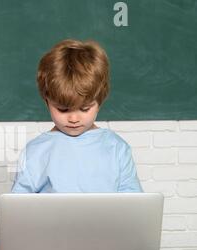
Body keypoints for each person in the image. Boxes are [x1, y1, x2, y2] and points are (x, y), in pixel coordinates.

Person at [12, 39, 142, 193]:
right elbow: (19, 205)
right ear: (47, 102)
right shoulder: (35, 151)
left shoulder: (116, 148)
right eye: (63, 110)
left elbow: (133, 202)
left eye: (85, 109)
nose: (74, 119)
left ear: (99, 101)